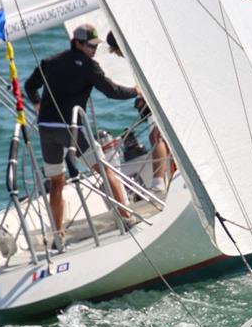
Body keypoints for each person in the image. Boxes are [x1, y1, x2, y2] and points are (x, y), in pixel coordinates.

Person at [24, 24, 139, 243]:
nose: (94, 50)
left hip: (47, 129)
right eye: (90, 45)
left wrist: (38, 104)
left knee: (57, 182)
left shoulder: (50, 62)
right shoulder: (89, 67)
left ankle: (58, 235)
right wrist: (135, 91)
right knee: (104, 171)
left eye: (96, 46)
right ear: (77, 43)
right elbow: (112, 91)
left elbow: (30, 86)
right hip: (71, 129)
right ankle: (126, 217)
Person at [106, 31, 171, 193]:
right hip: (159, 99)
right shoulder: (139, 53)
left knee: (156, 136)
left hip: (161, 100)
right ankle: (170, 176)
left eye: (117, 51)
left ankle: (158, 183)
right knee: (161, 137)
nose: (119, 56)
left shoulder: (139, 56)